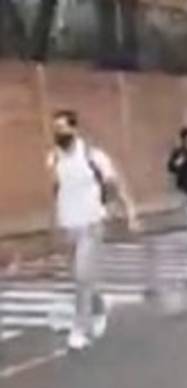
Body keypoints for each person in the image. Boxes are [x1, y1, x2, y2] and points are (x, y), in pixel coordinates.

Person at [46, 110, 139, 351]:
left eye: (63, 127)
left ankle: (80, 329)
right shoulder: (53, 159)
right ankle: (99, 305)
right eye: (56, 129)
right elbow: (56, 192)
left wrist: (130, 211)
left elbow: (115, 184)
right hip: (68, 224)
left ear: (74, 129)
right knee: (80, 276)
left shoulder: (93, 156)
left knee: (81, 275)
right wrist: (53, 224)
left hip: (91, 222)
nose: (59, 133)